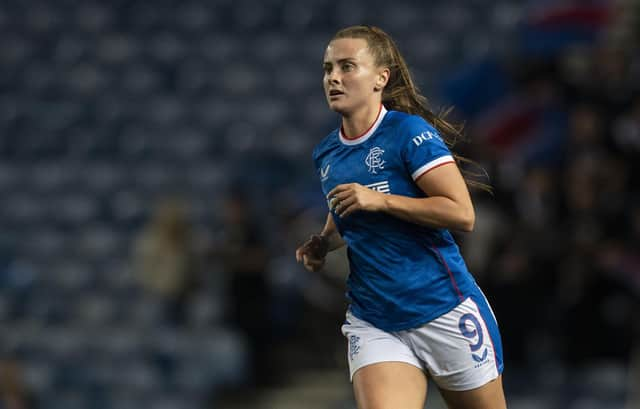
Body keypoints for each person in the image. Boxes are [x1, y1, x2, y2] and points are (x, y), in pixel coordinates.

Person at [295, 25, 507, 409]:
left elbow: (462, 213)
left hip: (443, 307)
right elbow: (345, 208)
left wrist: (382, 201)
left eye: (346, 66)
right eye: (328, 69)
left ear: (381, 78)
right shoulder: (327, 153)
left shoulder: (408, 133)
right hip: (375, 317)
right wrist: (324, 241)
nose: (333, 78)